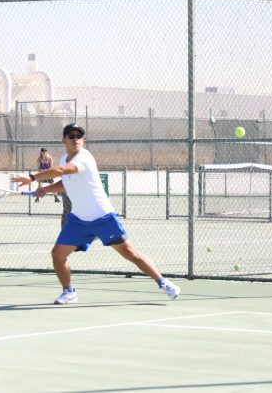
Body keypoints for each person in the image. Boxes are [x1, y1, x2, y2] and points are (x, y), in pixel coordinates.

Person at [12, 123, 180, 305]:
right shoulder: (64, 158)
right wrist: (47, 189)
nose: (75, 139)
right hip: (78, 220)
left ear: (83, 140)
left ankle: (163, 283)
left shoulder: (84, 158)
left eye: (79, 136)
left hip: (102, 217)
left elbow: (61, 171)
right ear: (63, 140)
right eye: (71, 136)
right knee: (57, 254)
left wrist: (32, 178)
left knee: (130, 253)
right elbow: (66, 182)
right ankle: (69, 292)